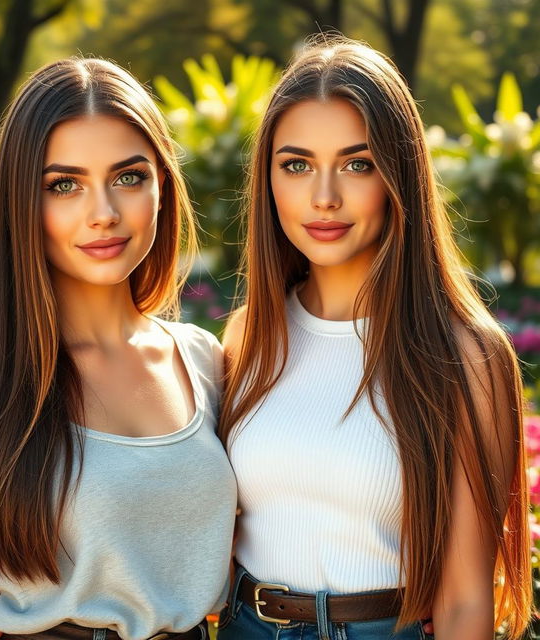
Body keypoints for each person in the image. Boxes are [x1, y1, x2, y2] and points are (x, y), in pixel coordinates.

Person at [0, 57, 237, 640]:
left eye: (129, 177)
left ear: (162, 185)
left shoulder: (205, 361)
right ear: (22, 204)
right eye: (64, 185)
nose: (103, 213)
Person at [216, 36, 532, 640]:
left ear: (398, 176)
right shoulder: (246, 338)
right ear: (269, 179)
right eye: (297, 164)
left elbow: (467, 601)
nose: (324, 196)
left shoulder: (462, 355)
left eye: (357, 164)